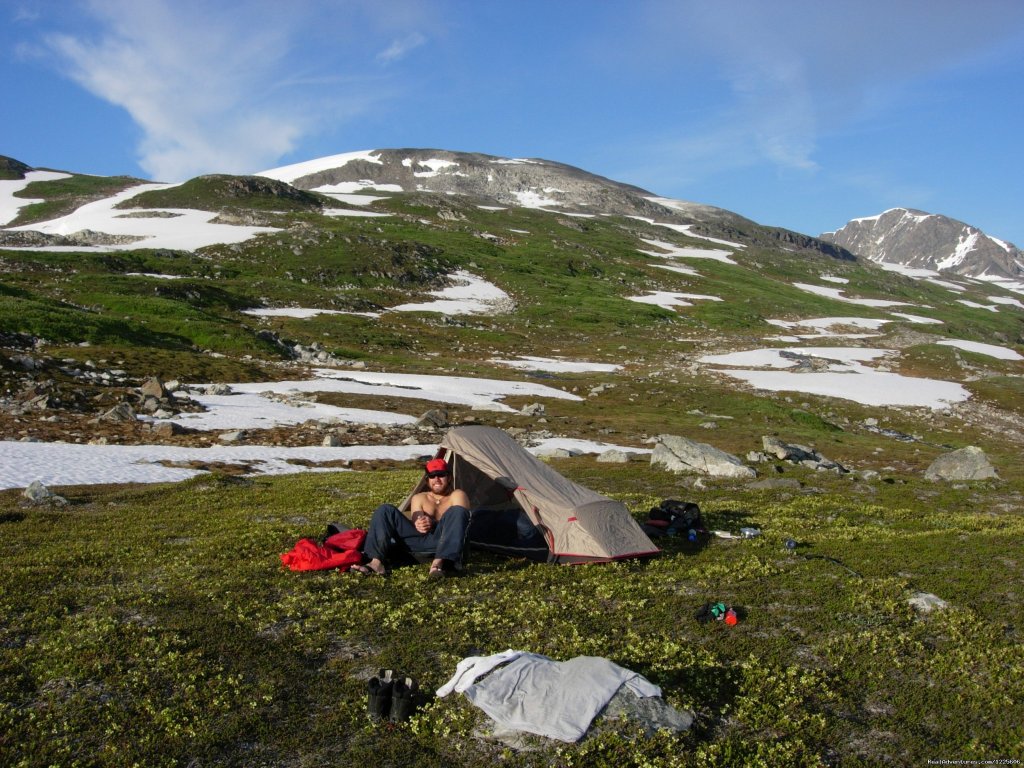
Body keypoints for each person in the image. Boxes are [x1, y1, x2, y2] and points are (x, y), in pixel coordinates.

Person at [356, 458, 471, 578]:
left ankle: (439, 563)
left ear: (449, 477)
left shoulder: (457, 495)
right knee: (385, 510)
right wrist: (420, 523)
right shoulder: (419, 497)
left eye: (441, 475)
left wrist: (433, 523)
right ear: (427, 480)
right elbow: (418, 523)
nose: (436, 479)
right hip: (420, 542)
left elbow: (460, 522)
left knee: (457, 510)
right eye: (432, 476)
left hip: (445, 541)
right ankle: (376, 563)